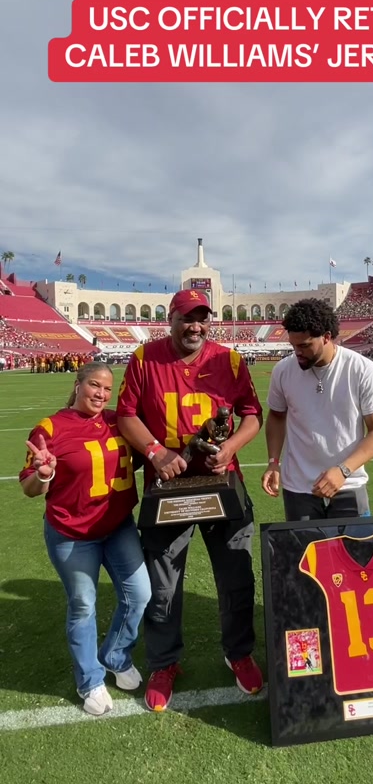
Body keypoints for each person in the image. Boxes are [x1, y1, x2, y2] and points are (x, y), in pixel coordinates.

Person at [116, 289, 263, 711]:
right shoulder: (145, 359)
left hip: (222, 483)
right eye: (187, 317)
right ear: (171, 319)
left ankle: (238, 653)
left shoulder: (229, 360)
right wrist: (155, 452)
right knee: (162, 583)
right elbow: (126, 414)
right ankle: (165, 662)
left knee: (236, 574)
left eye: (202, 318)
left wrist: (232, 446)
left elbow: (251, 414)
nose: (195, 326)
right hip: (168, 488)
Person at [19, 363, 151, 716]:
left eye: (107, 389)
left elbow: (137, 459)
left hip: (118, 525)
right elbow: (30, 487)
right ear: (78, 385)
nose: (101, 394)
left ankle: (115, 654)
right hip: (72, 534)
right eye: (94, 385)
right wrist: (44, 475)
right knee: (83, 604)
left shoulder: (118, 420)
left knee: (139, 593)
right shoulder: (50, 428)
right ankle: (90, 679)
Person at [261, 298, 373, 519]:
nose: (297, 353)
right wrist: (273, 462)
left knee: (354, 552)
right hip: (299, 487)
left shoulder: (363, 370)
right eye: (293, 346)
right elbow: (276, 416)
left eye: (304, 345)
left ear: (327, 337)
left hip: (348, 484)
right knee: (305, 553)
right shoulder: (283, 370)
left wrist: (343, 471)